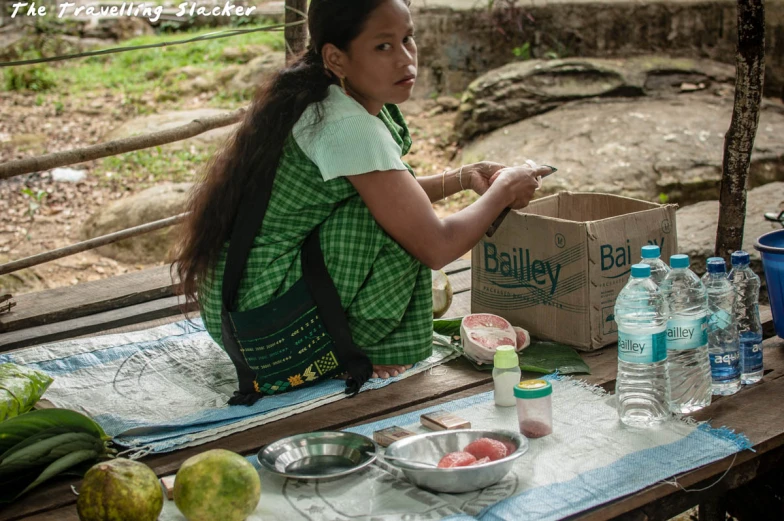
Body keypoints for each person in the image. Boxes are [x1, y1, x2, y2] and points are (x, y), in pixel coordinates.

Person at [174, 0, 548, 393]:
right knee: (396, 229)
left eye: (408, 39)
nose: (406, 59)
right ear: (336, 57)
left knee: (385, 215)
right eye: (383, 46)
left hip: (235, 311)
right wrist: (505, 190)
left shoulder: (323, 94)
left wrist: (464, 177)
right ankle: (359, 348)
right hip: (267, 332)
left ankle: (345, 339)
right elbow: (436, 245)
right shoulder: (346, 125)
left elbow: (391, 197)